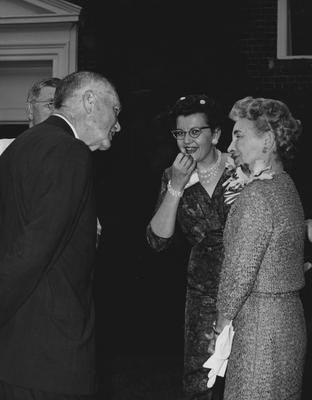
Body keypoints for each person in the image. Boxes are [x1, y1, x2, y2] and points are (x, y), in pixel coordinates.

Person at [0, 71, 121, 399]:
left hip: (15, 355)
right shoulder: (70, 151)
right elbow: (35, 247)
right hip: (52, 356)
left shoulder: (17, 148)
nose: (118, 124)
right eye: (116, 111)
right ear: (90, 102)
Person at [213, 97, 306, 400]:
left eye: (239, 135)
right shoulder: (287, 186)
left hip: (259, 330)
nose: (230, 145)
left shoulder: (256, 195)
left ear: (267, 141)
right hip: (289, 323)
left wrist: (221, 326)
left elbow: (239, 273)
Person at [147, 94, 231, 399]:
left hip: (246, 287)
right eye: (180, 133)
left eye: (195, 132)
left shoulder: (240, 167)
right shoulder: (173, 175)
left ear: (217, 134)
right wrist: (177, 187)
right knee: (201, 380)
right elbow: (157, 240)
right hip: (203, 293)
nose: (187, 141)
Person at [0, 77, 60, 156]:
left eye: (61, 107)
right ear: (30, 109)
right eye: (51, 104)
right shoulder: (3, 149)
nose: (58, 113)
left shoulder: (73, 154)